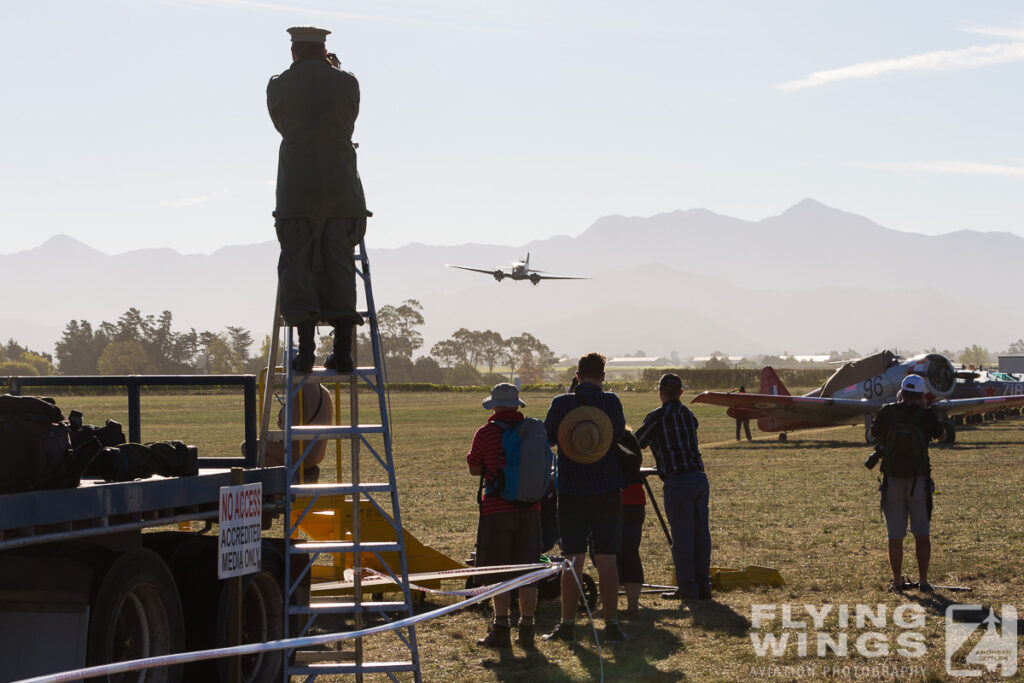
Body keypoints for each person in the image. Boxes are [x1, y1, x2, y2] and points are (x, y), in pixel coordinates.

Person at [267, 26, 370, 373]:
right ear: (324, 49)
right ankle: (343, 352)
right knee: (340, 267)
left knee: (298, 267)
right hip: (342, 192)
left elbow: (281, 123)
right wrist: (335, 71)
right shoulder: (347, 82)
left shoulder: (279, 84)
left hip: (296, 192)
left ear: (294, 51)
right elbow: (348, 119)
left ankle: (306, 353)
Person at [542, 352, 628, 644]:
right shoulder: (612, 402)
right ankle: (613, 624)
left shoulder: (561, 403)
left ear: (577, 375)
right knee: (606, 558)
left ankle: (567, 623)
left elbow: (549, 438)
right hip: (606, 490)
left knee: (571, 560)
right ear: (603, 377)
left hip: (571, 492)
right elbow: (617, 434)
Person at [466, 383, 542, 649]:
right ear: (517, 406)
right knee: (527, 571)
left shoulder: (485, 433)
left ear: (494, 406)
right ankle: (528, 627)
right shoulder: (533, 431)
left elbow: (475, 468)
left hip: (497, 510)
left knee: (499, 572)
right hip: (530, 509)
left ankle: (501, 628)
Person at [635, 373, 712, 601]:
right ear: (681, 393)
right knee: (701, 536)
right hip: (699, 478)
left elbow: (638, 442)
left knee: (682, 537)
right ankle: (703, 584)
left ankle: (687, 587)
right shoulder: (688, 415)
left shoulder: (658, 417)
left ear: (660, 392)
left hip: (678, 482)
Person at [867, 374, 944, 593]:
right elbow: (941, 434)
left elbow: (873, 433)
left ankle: (898, 582)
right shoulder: (925, 415)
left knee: (895, 537)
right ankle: (924, 581)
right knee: (922, 535)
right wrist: (927, 411)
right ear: (921, 395)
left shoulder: (887, 412)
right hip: (918, 482)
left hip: (892, 482)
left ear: (901, 393)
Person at [617, 428, 646, 616]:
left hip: (614, 497)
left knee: (605, 552)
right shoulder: (628, 436)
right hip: (635, 496)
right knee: (631, 550)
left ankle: (610, 605)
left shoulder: (600, 436)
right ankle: (632, 604)